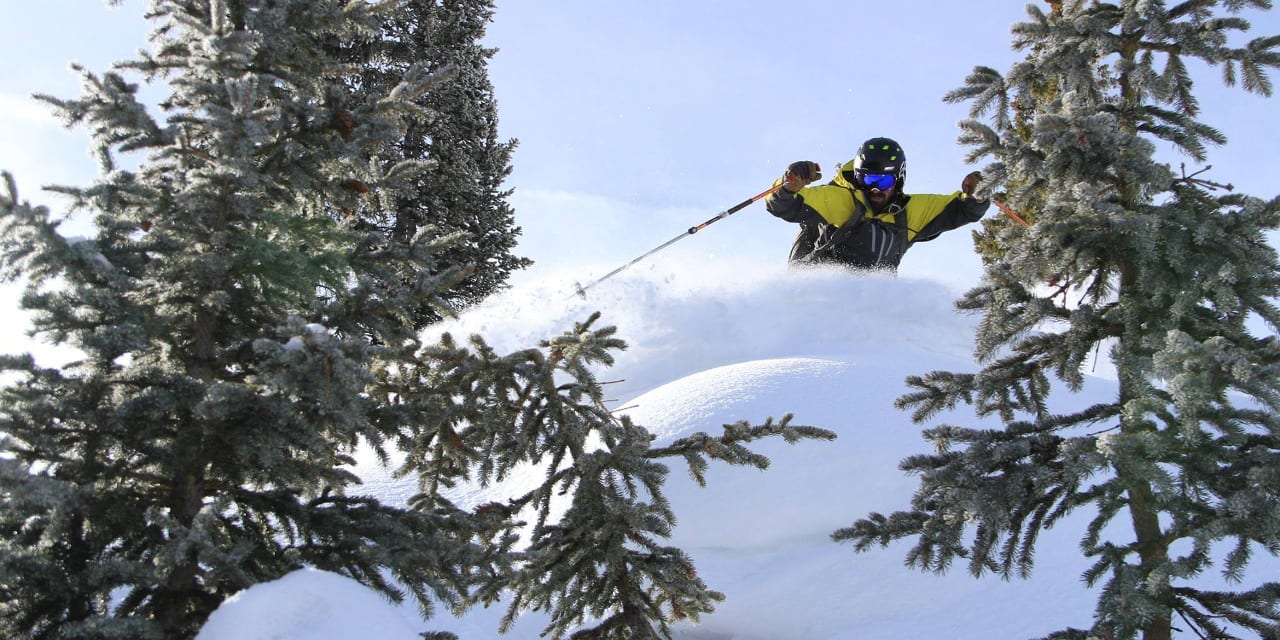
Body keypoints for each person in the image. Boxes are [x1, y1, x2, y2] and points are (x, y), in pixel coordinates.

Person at [766, 137, 990, 271]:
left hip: (870, 300)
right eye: (867, 179)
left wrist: (977, 195)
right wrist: (789, 185)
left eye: (883, 180)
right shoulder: (839, 199)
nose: (874, 188)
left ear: (899, 179)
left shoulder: (911, 212)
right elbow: (782, 205)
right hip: (816, 286)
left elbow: (961, 210)